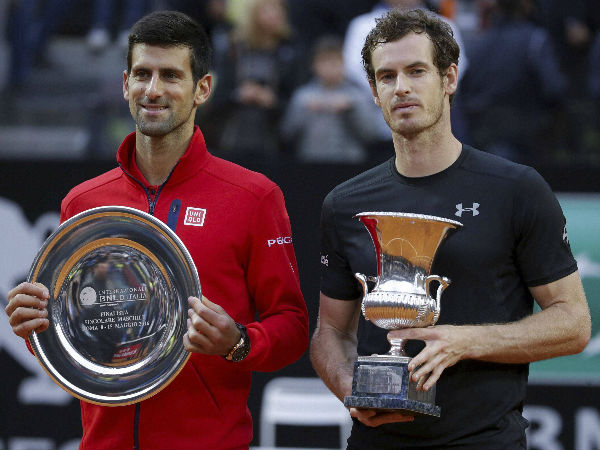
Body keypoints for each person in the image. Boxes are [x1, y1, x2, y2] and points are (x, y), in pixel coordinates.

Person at [4, 10, 309, 450]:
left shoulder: (253, 196)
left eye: (170, 75)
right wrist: (36, 328)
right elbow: (75, 338)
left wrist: (238, 342)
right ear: (126, 84)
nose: (153, 90)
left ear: (202, 88)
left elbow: (293, 328)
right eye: (143, 74)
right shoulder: (83, 203)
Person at [310, 8, 591, 450]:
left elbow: (573, 323)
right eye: (387, 76)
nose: (401, 87)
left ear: (450, 78)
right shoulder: (344, 204)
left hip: (486, 441)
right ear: (373, 91)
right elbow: (331, 332)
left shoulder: (517, 189)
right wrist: (351, 390)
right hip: (375, 441)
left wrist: (465, 341)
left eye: (416, 71)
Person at [457, 0, 567, 164]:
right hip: (527, 140)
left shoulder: (476, 44)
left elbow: (462, 95)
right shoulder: (535, 40)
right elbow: (554, 88)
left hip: (481, 139)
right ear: (526, 5)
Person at [208, 0, 305, 161]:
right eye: (268, 10)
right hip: (232, 138)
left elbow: (299, 98)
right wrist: (238, 95)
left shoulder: (292, 49)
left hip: (276, 141)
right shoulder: (234, 50)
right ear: (253, 15)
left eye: (278, 9)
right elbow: (217, 97)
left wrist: (274, 101)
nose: (275, 15)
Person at [280, 35, 380, 163]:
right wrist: (304, 111)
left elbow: (371, 135)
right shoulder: (302, 96)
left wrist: (351, 109)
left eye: (335, 62)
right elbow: (286, 134)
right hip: (311, 165)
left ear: (344, 63)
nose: (330, 67)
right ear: (314, 65)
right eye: (324, 62)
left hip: (350, 165)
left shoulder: (358, 95)